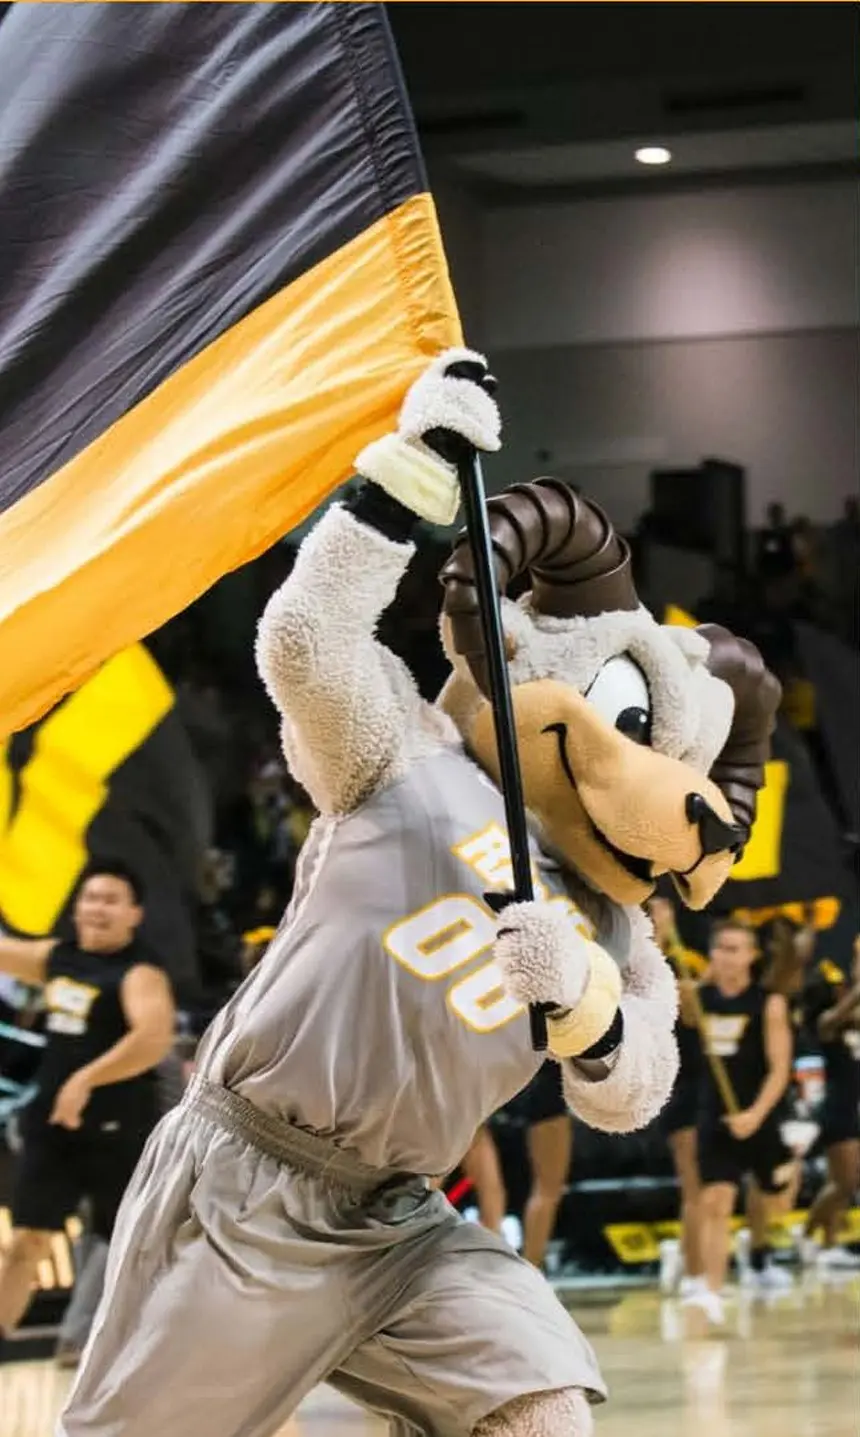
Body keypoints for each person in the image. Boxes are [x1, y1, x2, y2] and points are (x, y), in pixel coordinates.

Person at [59, 352, 777, 1437]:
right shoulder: (402, 755)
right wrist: (402, 490)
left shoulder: (614, 923)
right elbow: (303, 644)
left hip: (402, 1218)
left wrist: (585, 1016)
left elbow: (629, 1090)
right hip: (248, 1181)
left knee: (538, 1404)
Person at [0, 859, 175, 1350]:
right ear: (76, 907)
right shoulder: (59, 957)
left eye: (111, 900)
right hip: (54, 1127)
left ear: (134, 914)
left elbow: (153, 1039)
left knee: (131, 1249)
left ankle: (139, 1351)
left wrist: (86, 1079)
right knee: (26, 1243)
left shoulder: (139, 971)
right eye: (90, 898)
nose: (98, 908)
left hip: (119, 1130)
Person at [690, 919, 796, 1325]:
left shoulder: (768, 1004)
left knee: (773, 1196)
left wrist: (754, 1115)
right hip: (713, 1115)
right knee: (716, 1200)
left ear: (753, 955)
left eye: (736, 949)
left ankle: (763, 1242)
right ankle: (711, 1290)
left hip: (760, 1114)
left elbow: (780, 1068)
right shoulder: (699, 1000)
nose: (727, 956)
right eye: (721, 948)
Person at [648, 894, 706, 1298]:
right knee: (695, 1186)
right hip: (677, 1085)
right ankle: (695, 1276)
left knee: (710, 1186)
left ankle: (684, 1254)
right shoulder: (641, 967)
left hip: (708, 1083)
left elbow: (700, 1015)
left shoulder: (691, 961)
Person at [799, 932, 860, 1269]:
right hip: (838, 1109)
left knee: (841, 1182)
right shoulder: (827, 1021)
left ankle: (828, 1242)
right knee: (846, 1182)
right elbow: (833, 1018)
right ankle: (808, 1234)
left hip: (854, 1107)